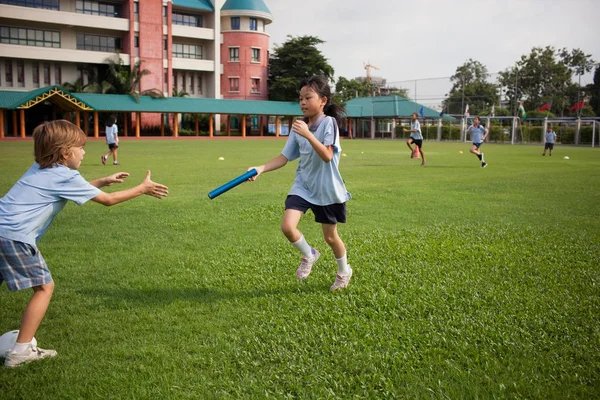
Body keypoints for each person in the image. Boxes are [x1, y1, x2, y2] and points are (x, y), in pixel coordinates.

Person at [0, 120, 168, 368]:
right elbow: (108, 201)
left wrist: (101, 181)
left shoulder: (39, 168)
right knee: (44, 288)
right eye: (80, 147)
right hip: (14, 236)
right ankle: (21, 352)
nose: (84, 152)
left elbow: (70, 190)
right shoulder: (65, 176)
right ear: (66, 153)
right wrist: (141, 189)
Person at [247, 76, 352, 291]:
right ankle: (309, 254)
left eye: (308, 97)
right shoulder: (299, 126)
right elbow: (285, 157)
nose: (303, 102)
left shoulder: (329, 123)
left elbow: (327, 156)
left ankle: (344, 271)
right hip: (303, 186)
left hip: (327, 189)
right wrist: (260, 168)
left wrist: (308, 134)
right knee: (287, 227)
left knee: (331, 238)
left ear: (322, 100)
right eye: (300, 98)